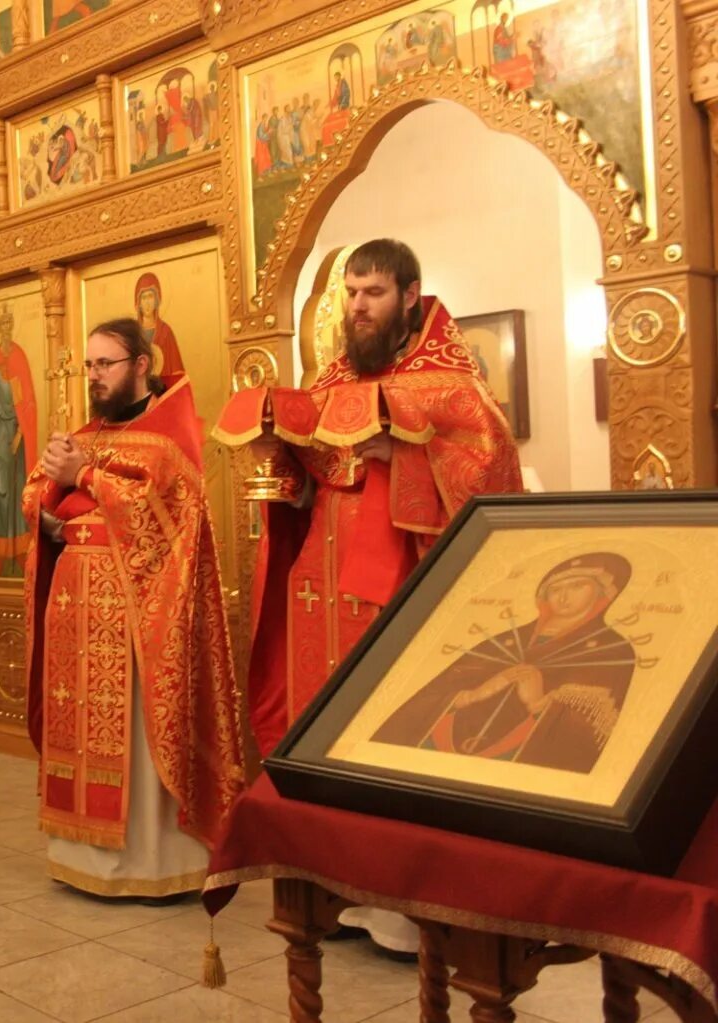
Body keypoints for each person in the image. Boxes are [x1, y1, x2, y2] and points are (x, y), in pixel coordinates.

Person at [244, 238, 521, 955]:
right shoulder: (334, 375)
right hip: (321, 589)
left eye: (372, 291)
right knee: (325, 736)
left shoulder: (451, 377)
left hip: (400, 583)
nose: (358, 306)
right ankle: (332, 891)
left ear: (409, 292)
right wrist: (284, 460)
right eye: (352, 292)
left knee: (391, 737)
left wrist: (403, 455)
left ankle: (403, 908)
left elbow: (489, 468)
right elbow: (313, 469)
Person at [23, 317, 244, 898]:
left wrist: (84, 476)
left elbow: (163, 515)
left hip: (136, 620)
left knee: (132, 735)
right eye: (89, 365)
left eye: (106, 364)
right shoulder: (86, 433)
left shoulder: (169, 437)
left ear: (141, 365)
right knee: (81, 726)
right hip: (75, 608)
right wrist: (47, 500)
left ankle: (149, 865)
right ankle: (82, 857)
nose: (94, 376)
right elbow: (40, 494)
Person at [374, 553, 635, 772]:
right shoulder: (506, 640)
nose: (564, 597)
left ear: (602, 593)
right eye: (556, 590)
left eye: (577, 586)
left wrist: (539, 703)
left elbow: (598, 731)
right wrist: (468, 696)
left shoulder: (609, 650)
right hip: (442, 749)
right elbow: (430, 694)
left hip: (521, 767)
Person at [0, 307, 38, 577]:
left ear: (12, 326)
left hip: (17, 432)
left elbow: (27, 402)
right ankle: (3, 552)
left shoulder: (19, 356)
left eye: (8, 323)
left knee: (18, 487)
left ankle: (21, 549)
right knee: (3, 490)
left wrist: (20, 435)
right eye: (1, 323)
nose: (5, 328)